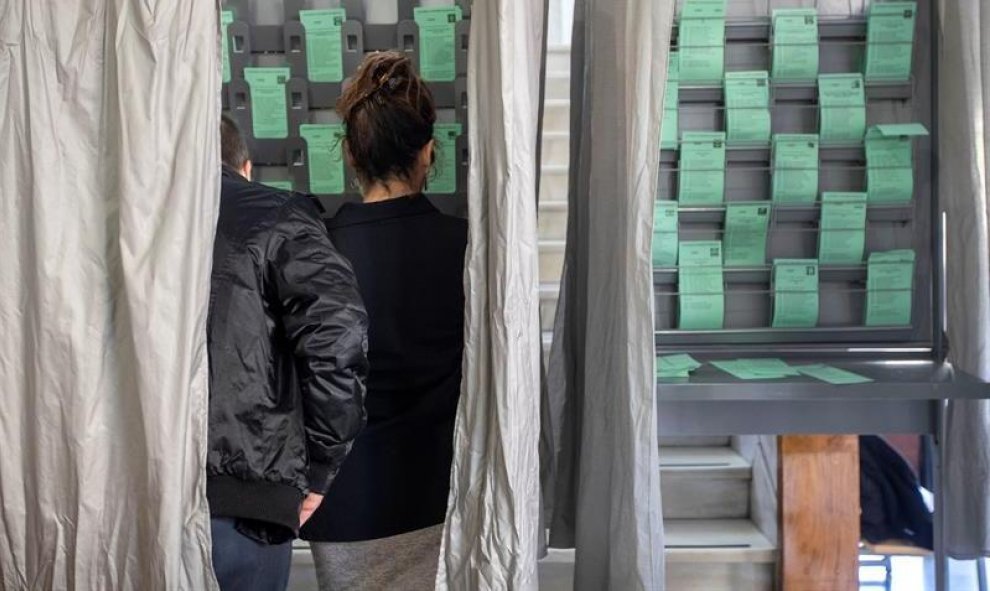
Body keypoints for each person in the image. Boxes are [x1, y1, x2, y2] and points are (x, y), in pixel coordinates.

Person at [299, 52, 468, 591]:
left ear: (350, 153)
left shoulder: (315, 249)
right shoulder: (467, 247)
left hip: (342, 501)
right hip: (441, 494)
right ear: (428, 152)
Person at [207, 114, 369, 591]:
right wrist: (320, 467)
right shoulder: (277, 216)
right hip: (245, 502)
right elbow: (337, 335)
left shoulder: (125, 217)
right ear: (247, 166)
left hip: (128, 494)